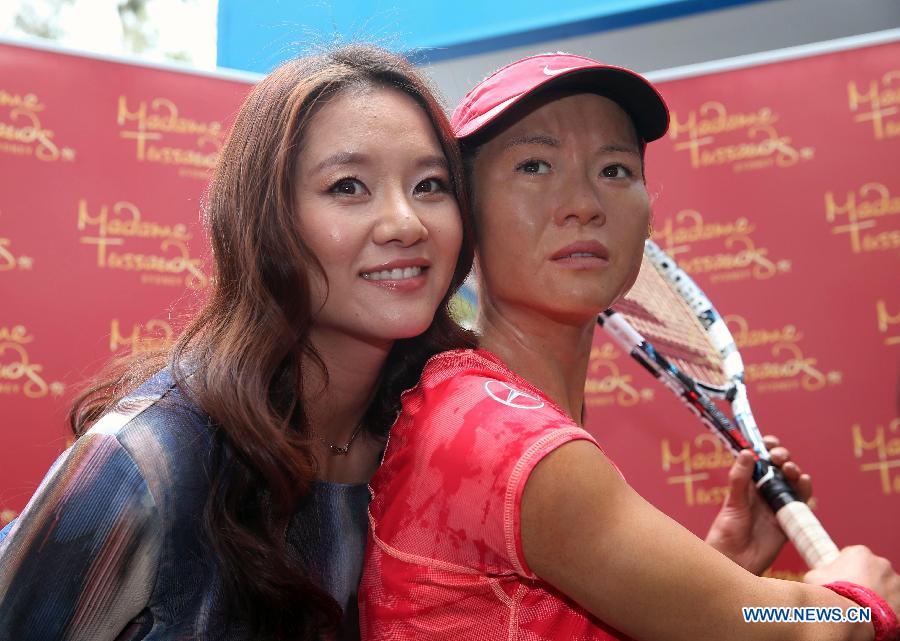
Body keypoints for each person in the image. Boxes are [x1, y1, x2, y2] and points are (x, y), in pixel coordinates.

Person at [360, 53, 900, 640]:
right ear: (465, 216)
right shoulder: (502, 439)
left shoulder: (475, 408)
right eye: (535, 166)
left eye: (615, 170)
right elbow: (777, 629)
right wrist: (856, 602)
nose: (584, 203)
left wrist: (719, 572)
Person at [0, 44, 474, 641]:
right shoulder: (152, 457)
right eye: (349, 186)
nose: (406, 223)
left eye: (431, 184)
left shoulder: (447, 438)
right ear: (265, 219)